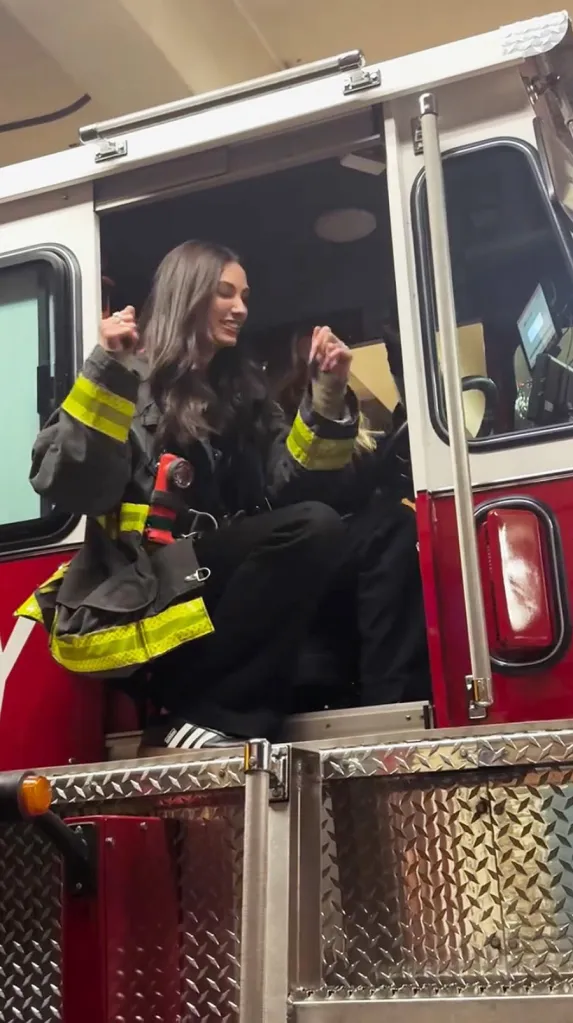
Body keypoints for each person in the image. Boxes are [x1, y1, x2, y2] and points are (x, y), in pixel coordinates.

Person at [20, 240, 363, 753]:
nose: (240, 308)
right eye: (225, 293)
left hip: (212, 576)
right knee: (313, 525)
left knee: (362, 528)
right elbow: (75, 487)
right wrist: (109, 369)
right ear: (187, 293)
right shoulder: (130, 380)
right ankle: (208, 713)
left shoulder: (243, 393)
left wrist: (328, 392)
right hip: (145, 585)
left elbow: (294, 486)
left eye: (244, 296)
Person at [269, 325, 429, 711]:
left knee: (400, 520)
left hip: (339, 548)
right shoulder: (280, 421)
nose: (329, 355)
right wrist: (324, 397)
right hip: (307, 555)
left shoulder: (353, 430)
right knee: (394, 529)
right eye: (315, 356)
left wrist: (401, 354)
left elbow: (386, 462)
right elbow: (302, 486)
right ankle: (389, 700)